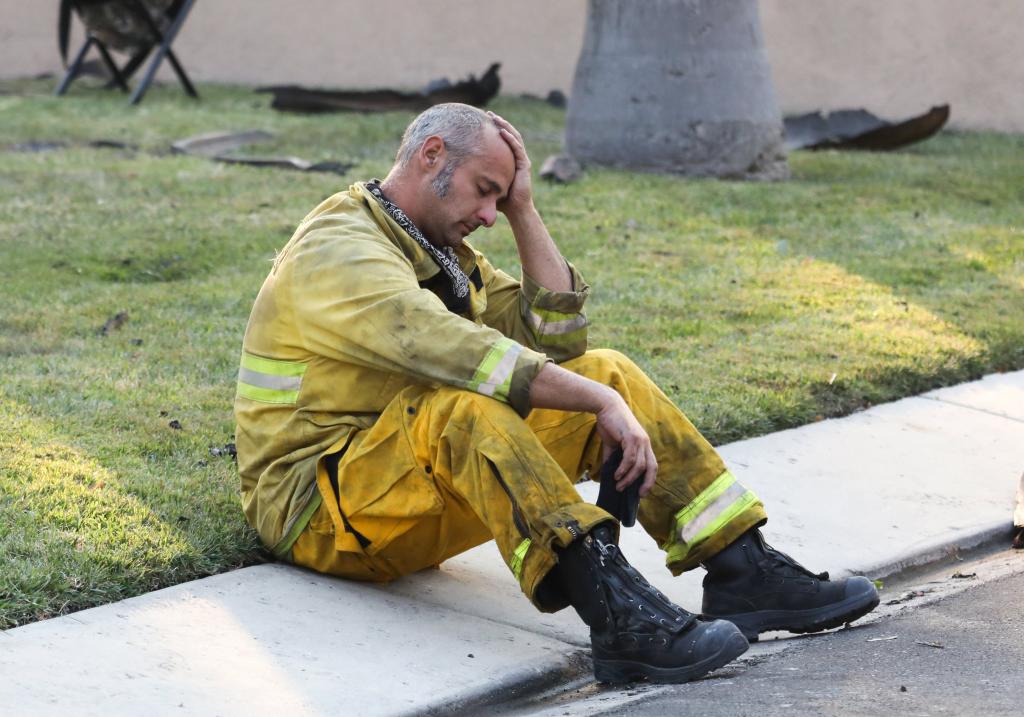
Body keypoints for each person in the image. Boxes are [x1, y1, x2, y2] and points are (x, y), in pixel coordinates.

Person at [234, 103, 879, 684]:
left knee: (606, 372)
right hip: (318, 513)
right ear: (431, 154)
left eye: (498, 200)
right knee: (469, 407)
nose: (487, 214)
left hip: (398, 491)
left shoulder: (435, 246)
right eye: (485, 192)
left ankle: (743, 571)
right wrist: (598, 407)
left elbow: (558, 338)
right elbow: (465, 355)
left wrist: (524, 210)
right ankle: (620, 620)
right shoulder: (341, 251)